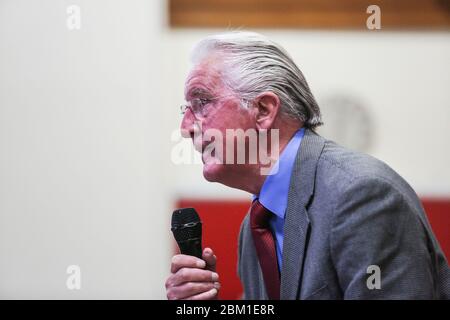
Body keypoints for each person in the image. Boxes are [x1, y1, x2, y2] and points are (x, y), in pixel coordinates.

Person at [165, 31, 450, 300]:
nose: (186, 127)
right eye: (185, 110)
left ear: (263, 110)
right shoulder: (255, 226)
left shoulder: (362, 196)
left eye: (201, 103)